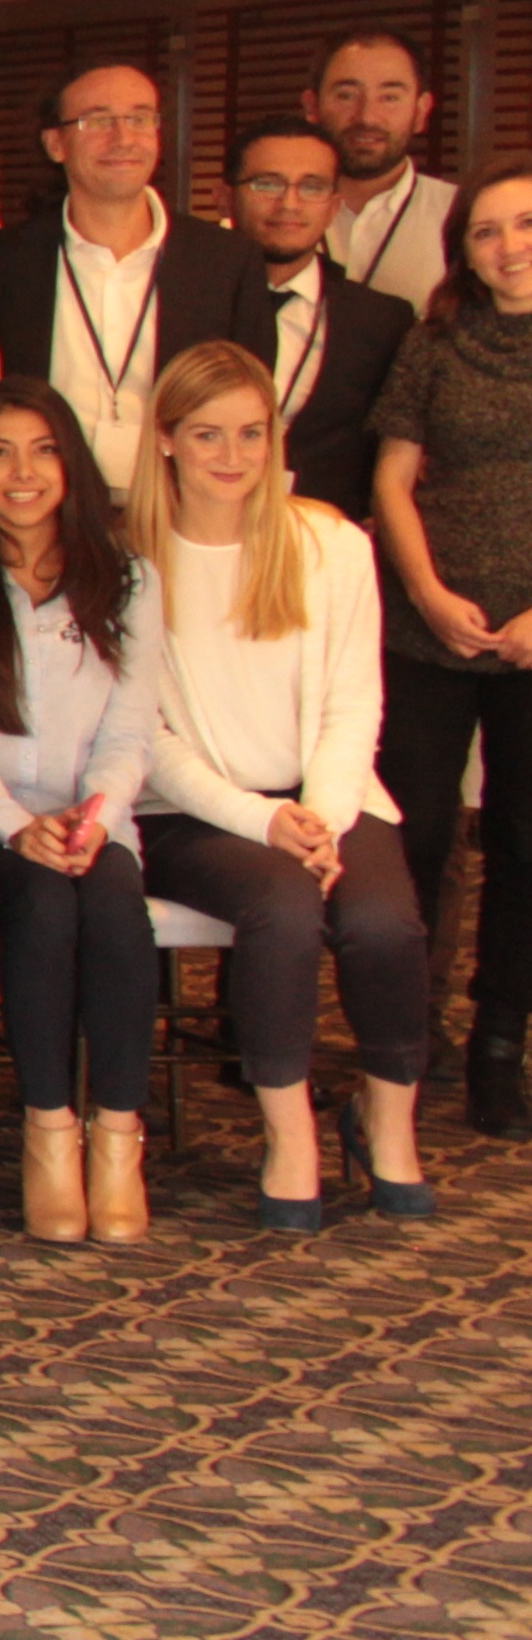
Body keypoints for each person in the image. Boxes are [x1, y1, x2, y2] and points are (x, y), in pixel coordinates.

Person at [131, 337, 427, 1231]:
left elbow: (353, 704)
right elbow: (147, 741)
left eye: (252, 434)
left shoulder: (329, 544)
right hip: (194, 812)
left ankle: (386, 1117)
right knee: (284, 910)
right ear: (168, 440)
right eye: (209, 434)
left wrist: (323, 819)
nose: (234, 457)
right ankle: (288, 1129)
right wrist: (265, 826)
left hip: (327, 796)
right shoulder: (132, 560)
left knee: (384, 922)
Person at [0, 378, 163, 1245]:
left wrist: (94, 819)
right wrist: (12, 825)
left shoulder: (126, 577)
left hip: (93, 816)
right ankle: (47, 1134)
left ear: (70, 465)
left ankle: (116, 1138)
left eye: (42, 450)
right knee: (39, 907)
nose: (22, 472)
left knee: (112, 909)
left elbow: (132, 729)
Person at [365, 163, 532, 1133]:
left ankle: (501, 1049)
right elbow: (392, 477)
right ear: (462, 247)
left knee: (521, 842)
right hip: (429, 628)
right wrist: (427, 592)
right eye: (487, 232)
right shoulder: (435, 343)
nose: (508, 248)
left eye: (524, 226)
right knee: (418, 832)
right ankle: (405, 1037)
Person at [0, 60, 257, 494]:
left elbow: (250, 402)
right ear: (55, 143)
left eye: (139, 118)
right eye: (98, 120)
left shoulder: (226, 261)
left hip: (181, 504)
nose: (123, 138)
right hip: (40, 509)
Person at [231, 121, 407, 518]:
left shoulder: (382, 322)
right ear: (225, 197)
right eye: (267, 184)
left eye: (311, 187)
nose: (289, 203)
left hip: (322, 540)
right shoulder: (184, 297)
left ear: (333, 205)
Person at [310, 30, 450, 309]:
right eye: (346, 95)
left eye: (389, 97)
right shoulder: (278, 213)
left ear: (421, 111)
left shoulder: (461, 213)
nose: (367, 116)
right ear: (312, 106)